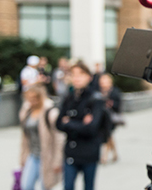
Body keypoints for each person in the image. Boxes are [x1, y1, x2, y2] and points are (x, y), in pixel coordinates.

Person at [56, 62, 106, 190]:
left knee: (88, 186)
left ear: (89, 77)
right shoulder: (69, 98)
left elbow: (91, 128)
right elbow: (58, 124)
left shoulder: (95, 99)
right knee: (68, 186)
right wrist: (79, 123)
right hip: (70, 152)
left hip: (89, 152)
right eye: (73, 75)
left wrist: (69, 122)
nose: (76, 78)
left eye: (81, 74)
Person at [19, 86, 64, 190]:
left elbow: (59, 138)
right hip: (33, 154)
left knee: (46, 186)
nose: (32, 101)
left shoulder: (50, 113)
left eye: (34, 98)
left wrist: (57, 160)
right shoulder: (27, 112)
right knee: (26, 185)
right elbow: (25, 138)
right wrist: (22, 157)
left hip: (47, 155)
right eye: (29, 98)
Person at [98, 73, 121, 163]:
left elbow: (118, 105)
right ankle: (115, 154)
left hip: (111, 118)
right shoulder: (99, 92)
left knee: (108, 135)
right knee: (109, 136)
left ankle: (105, 156)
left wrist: (111, 104)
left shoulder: (115, 91)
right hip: (102, 118)